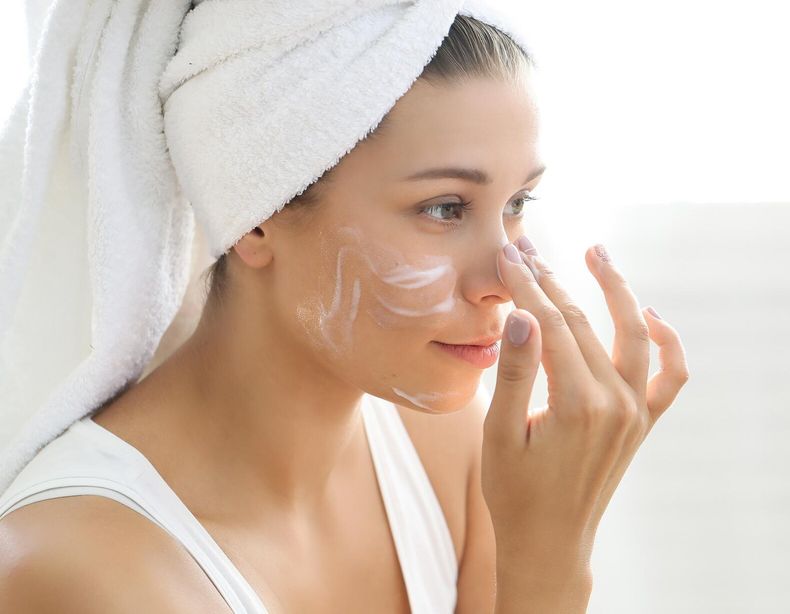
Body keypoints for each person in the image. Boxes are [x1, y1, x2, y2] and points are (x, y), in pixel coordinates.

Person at [0, 3, 688, 613]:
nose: (505, 278)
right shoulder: (82, 570)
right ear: (259, 212)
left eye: (515, 205)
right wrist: (544, 568)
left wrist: (552, 540)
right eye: (444, 208)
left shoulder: (451, 455)